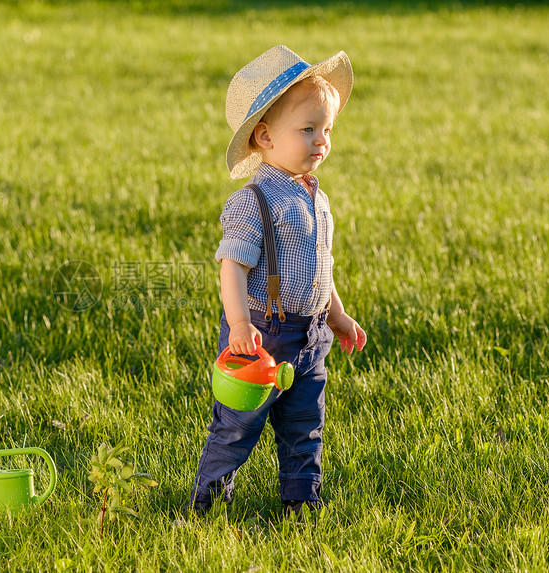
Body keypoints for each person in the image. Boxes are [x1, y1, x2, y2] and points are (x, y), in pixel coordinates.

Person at [187, 45, 367, 517]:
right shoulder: (254, 201)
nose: (321, 140)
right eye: (307, 129)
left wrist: (338, 314)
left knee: (305, 424)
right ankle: (208, 498)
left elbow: (319, 267)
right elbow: (232, 266)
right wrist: (239, 323)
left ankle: (299, 503)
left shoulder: (315, 198)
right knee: (238, 424)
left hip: (311, 336)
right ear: (264, 137)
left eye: (326, 129)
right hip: (261, 333)